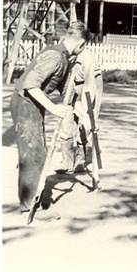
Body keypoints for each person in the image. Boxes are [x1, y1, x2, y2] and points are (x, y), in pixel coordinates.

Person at [9, 21, 91, 219]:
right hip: (24, 102)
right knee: (33, 154)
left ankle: (39, 199)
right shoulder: (55, 56)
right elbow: (30, 85)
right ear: (80, 45)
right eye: (84, 48)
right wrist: (54, 108)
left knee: (39, 152)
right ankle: (30, 206)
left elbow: (68, 93)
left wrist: (84, 117)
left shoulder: (65, 58)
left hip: (33, 105)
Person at [57, 42, 103, 190]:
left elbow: (90, 87)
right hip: (72, 87)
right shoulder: (66, 55)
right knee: (66, 121)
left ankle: (81, 161)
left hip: (89, 87)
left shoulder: (87, 58)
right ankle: (66, 161)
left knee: (86, 124)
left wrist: (86, 112)